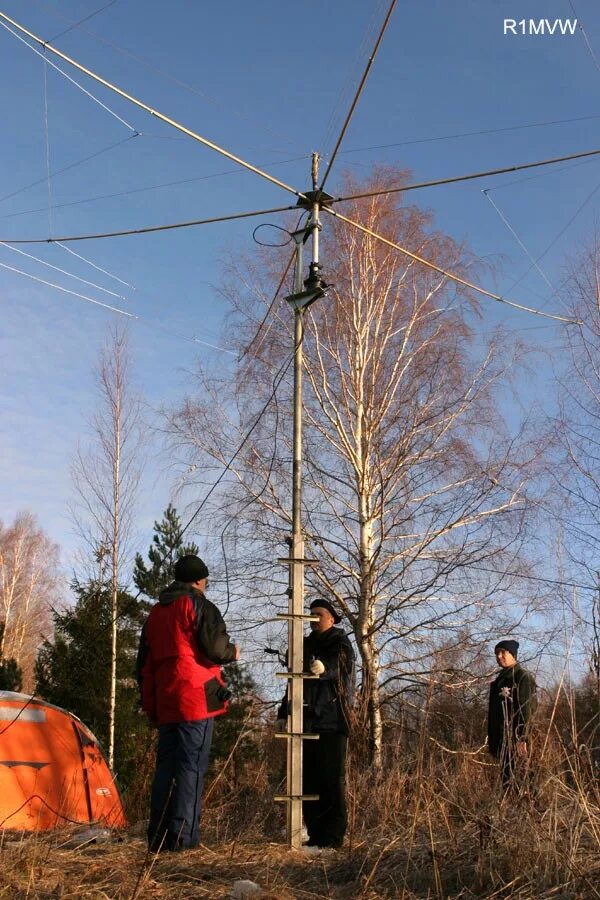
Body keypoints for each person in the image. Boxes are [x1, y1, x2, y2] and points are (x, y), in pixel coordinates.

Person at [137, 554, 239, 852]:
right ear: (198, 580)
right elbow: (214, 649)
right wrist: (234, 652)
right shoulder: (199, 605)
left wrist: (150, 703)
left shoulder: (156, 613)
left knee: (165, 769)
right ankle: (184, 840)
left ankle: (158, 840)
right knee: (190, 769)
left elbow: (143, 662)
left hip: (166, 700)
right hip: (195, 698)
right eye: (205, 579)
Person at [277, 598, 355, 849]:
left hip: (332, 722)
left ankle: (333, 838)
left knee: (331, 780)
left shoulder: (339, 641)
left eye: (318, 614)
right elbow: (293, 683)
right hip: (306, 723)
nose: (313, 618)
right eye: (310, 614)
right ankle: (316, 835)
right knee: (307, 781)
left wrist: (324, 668)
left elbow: (341, 664)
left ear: (331, 618)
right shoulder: (304, 645)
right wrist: (283, 712)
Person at [487, 639, 537, 794]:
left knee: (523, 782)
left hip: (515, 741)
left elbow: (525, 710)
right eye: (497, 653)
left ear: (513, 655)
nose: (499, 656)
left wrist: (522, 738)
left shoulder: (522, 677)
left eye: (503, 652)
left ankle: (530, 813)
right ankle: (511, 815)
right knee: (507, 783)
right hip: (502, 741)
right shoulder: (500, 679)